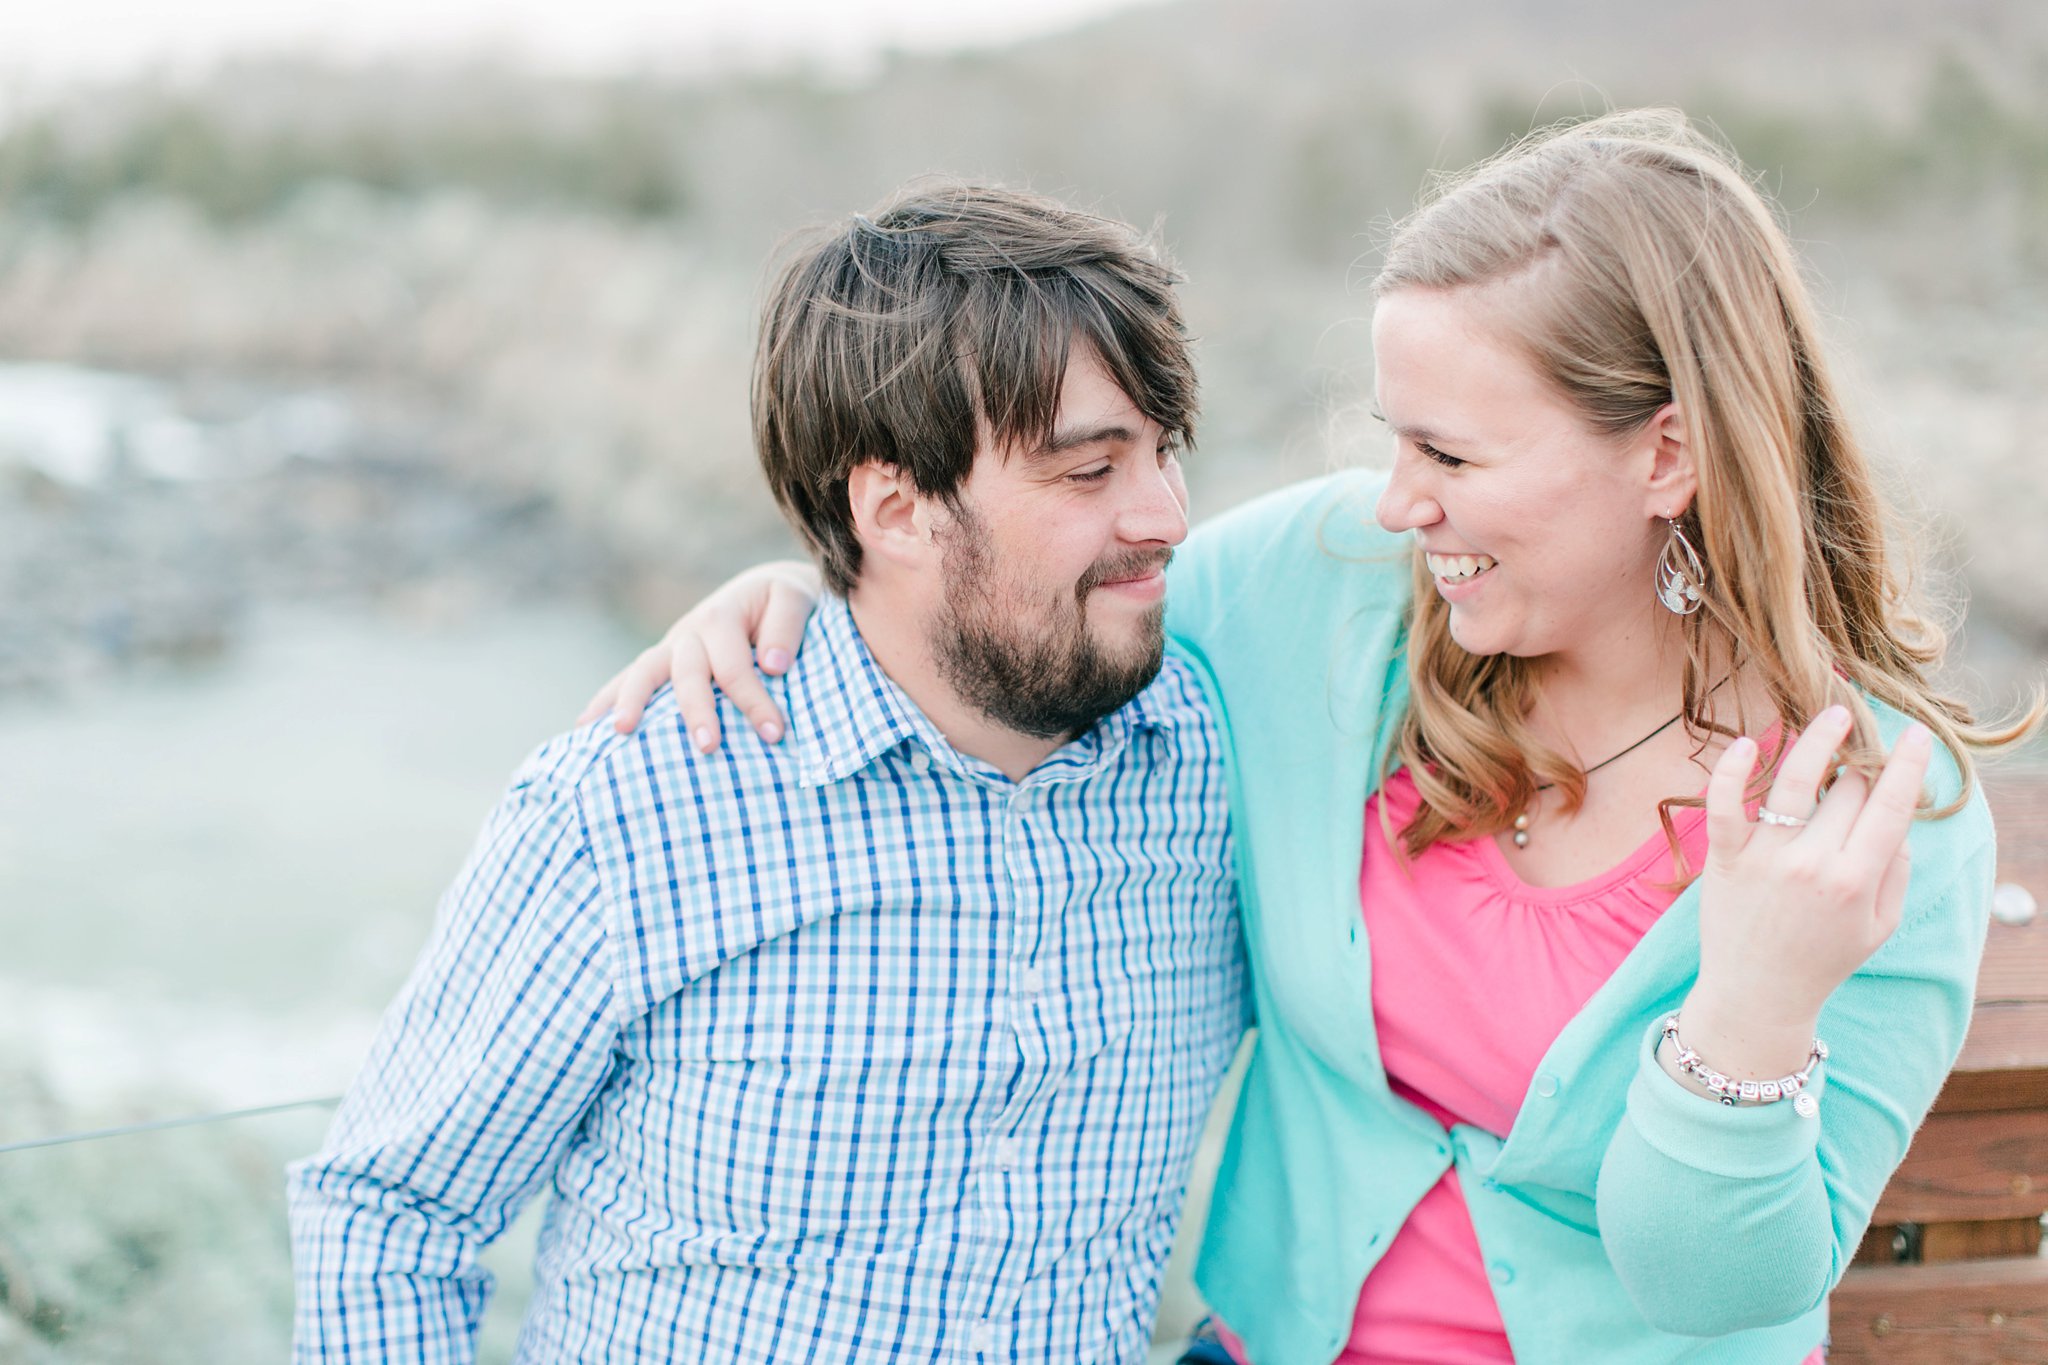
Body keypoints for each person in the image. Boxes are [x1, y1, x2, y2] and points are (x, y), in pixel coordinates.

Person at [583, 109, 2040, 1363]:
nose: (1399, 499)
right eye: (1392, 436)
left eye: (1453, 455)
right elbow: (1027, 614)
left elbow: (1715, 1289)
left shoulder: (1873, 816)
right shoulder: (1320, 591)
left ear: (1666, 450)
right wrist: (816, 587)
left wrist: (1753, 1013)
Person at [287, 181, 1254, 1364]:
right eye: (1087, 473)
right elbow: (393, 1216)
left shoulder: (1225, 761)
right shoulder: (635, 804)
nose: (1164, 515)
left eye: (1165, 454)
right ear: (896, 508)